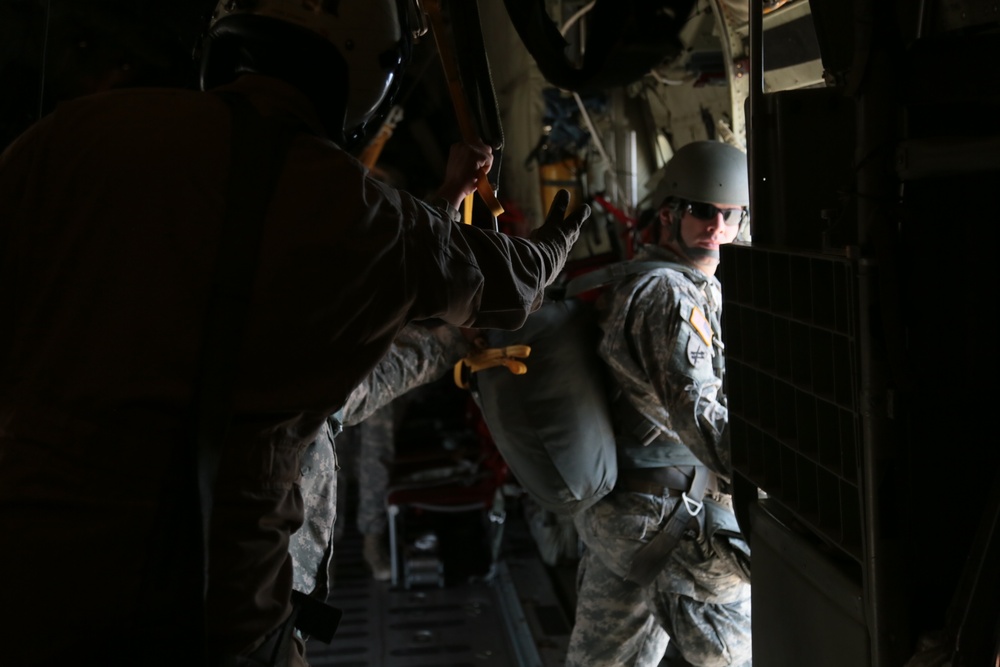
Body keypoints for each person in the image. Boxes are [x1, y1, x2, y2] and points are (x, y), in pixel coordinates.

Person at [0, 0, 589, 665]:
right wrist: (561, 234)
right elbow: (506, 283)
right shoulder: (357, 209)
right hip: (214, 622)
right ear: (367, 69)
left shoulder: (67, 140)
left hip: (27, 598)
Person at [565, 140, 753, 667]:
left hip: (626, 515)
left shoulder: (650, 280)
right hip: (668, 517)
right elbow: (699, 416)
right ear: (670, 214)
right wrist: (783, 479)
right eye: (701, 211)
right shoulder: (670, 296)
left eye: (730, 214)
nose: (716, 225)